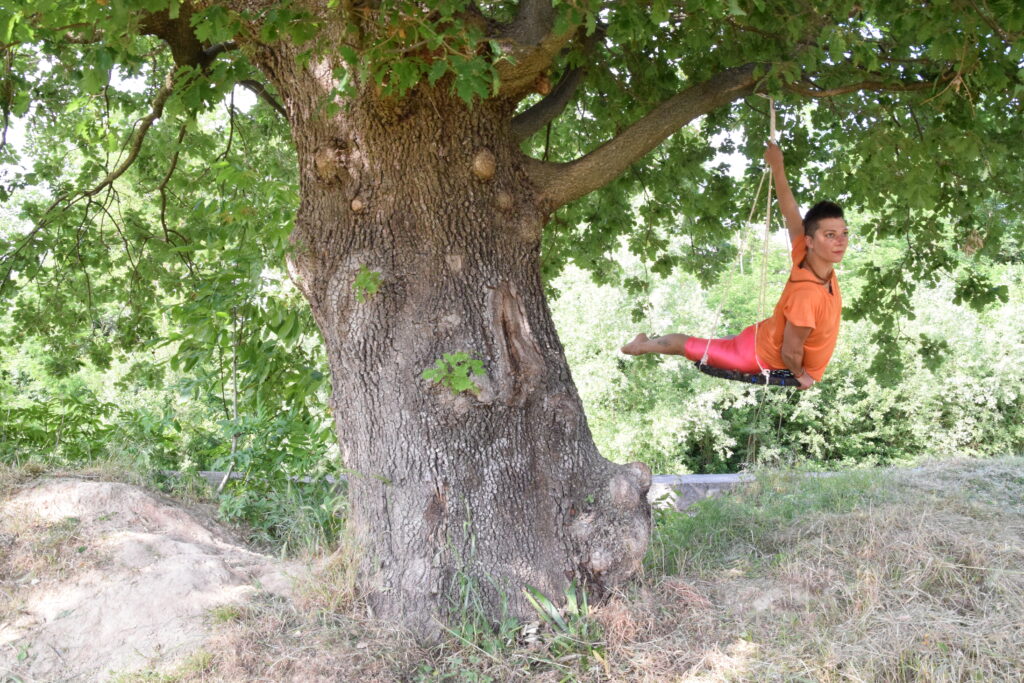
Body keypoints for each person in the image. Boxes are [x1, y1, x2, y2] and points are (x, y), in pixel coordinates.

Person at [620, 141, 849, 390]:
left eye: (844, 233)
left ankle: (724, 342)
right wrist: (801, 376)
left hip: (761, 335)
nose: (840, 241)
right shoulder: (807, 295)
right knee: (688, 346)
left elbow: (791, 210)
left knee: (723, 342)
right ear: (811, 241)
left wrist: (778, 166)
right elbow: (790, 352)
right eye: (830, 235)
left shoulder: (806, 256)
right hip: (754, 356)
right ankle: (640, 345)